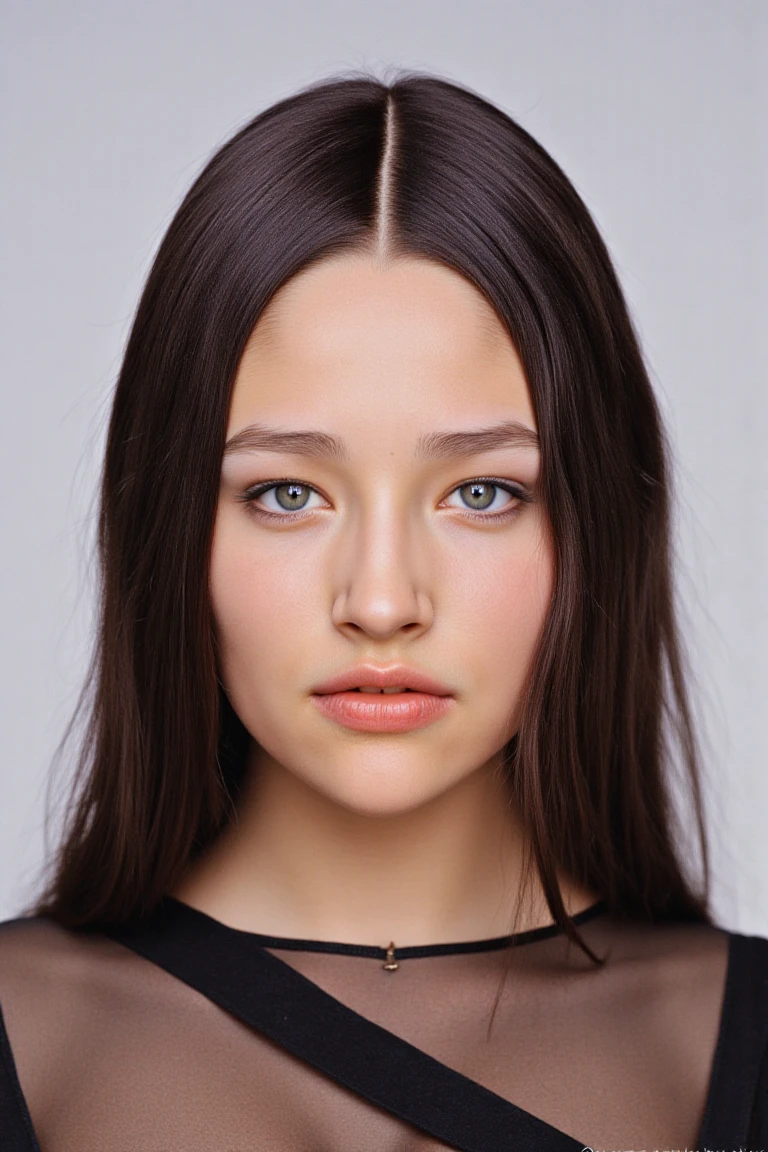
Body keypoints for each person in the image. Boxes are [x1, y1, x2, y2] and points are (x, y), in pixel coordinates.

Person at [0, 71, 765, 1152]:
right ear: (167, 522)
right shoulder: (28, 1033)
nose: (381, 602)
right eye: (287, 494)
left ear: (598, 524)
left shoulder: (727, 1042)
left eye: (483, 494)